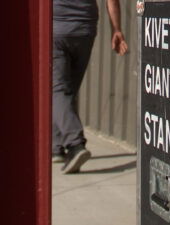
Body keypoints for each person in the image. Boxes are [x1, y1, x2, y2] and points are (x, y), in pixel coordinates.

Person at [52, 0, 128, 174]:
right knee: (66, 91)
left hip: (57, 27)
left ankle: (75, 144)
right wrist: (116, 29)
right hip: (84, 29)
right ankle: (56, 146)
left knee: (58, 90)